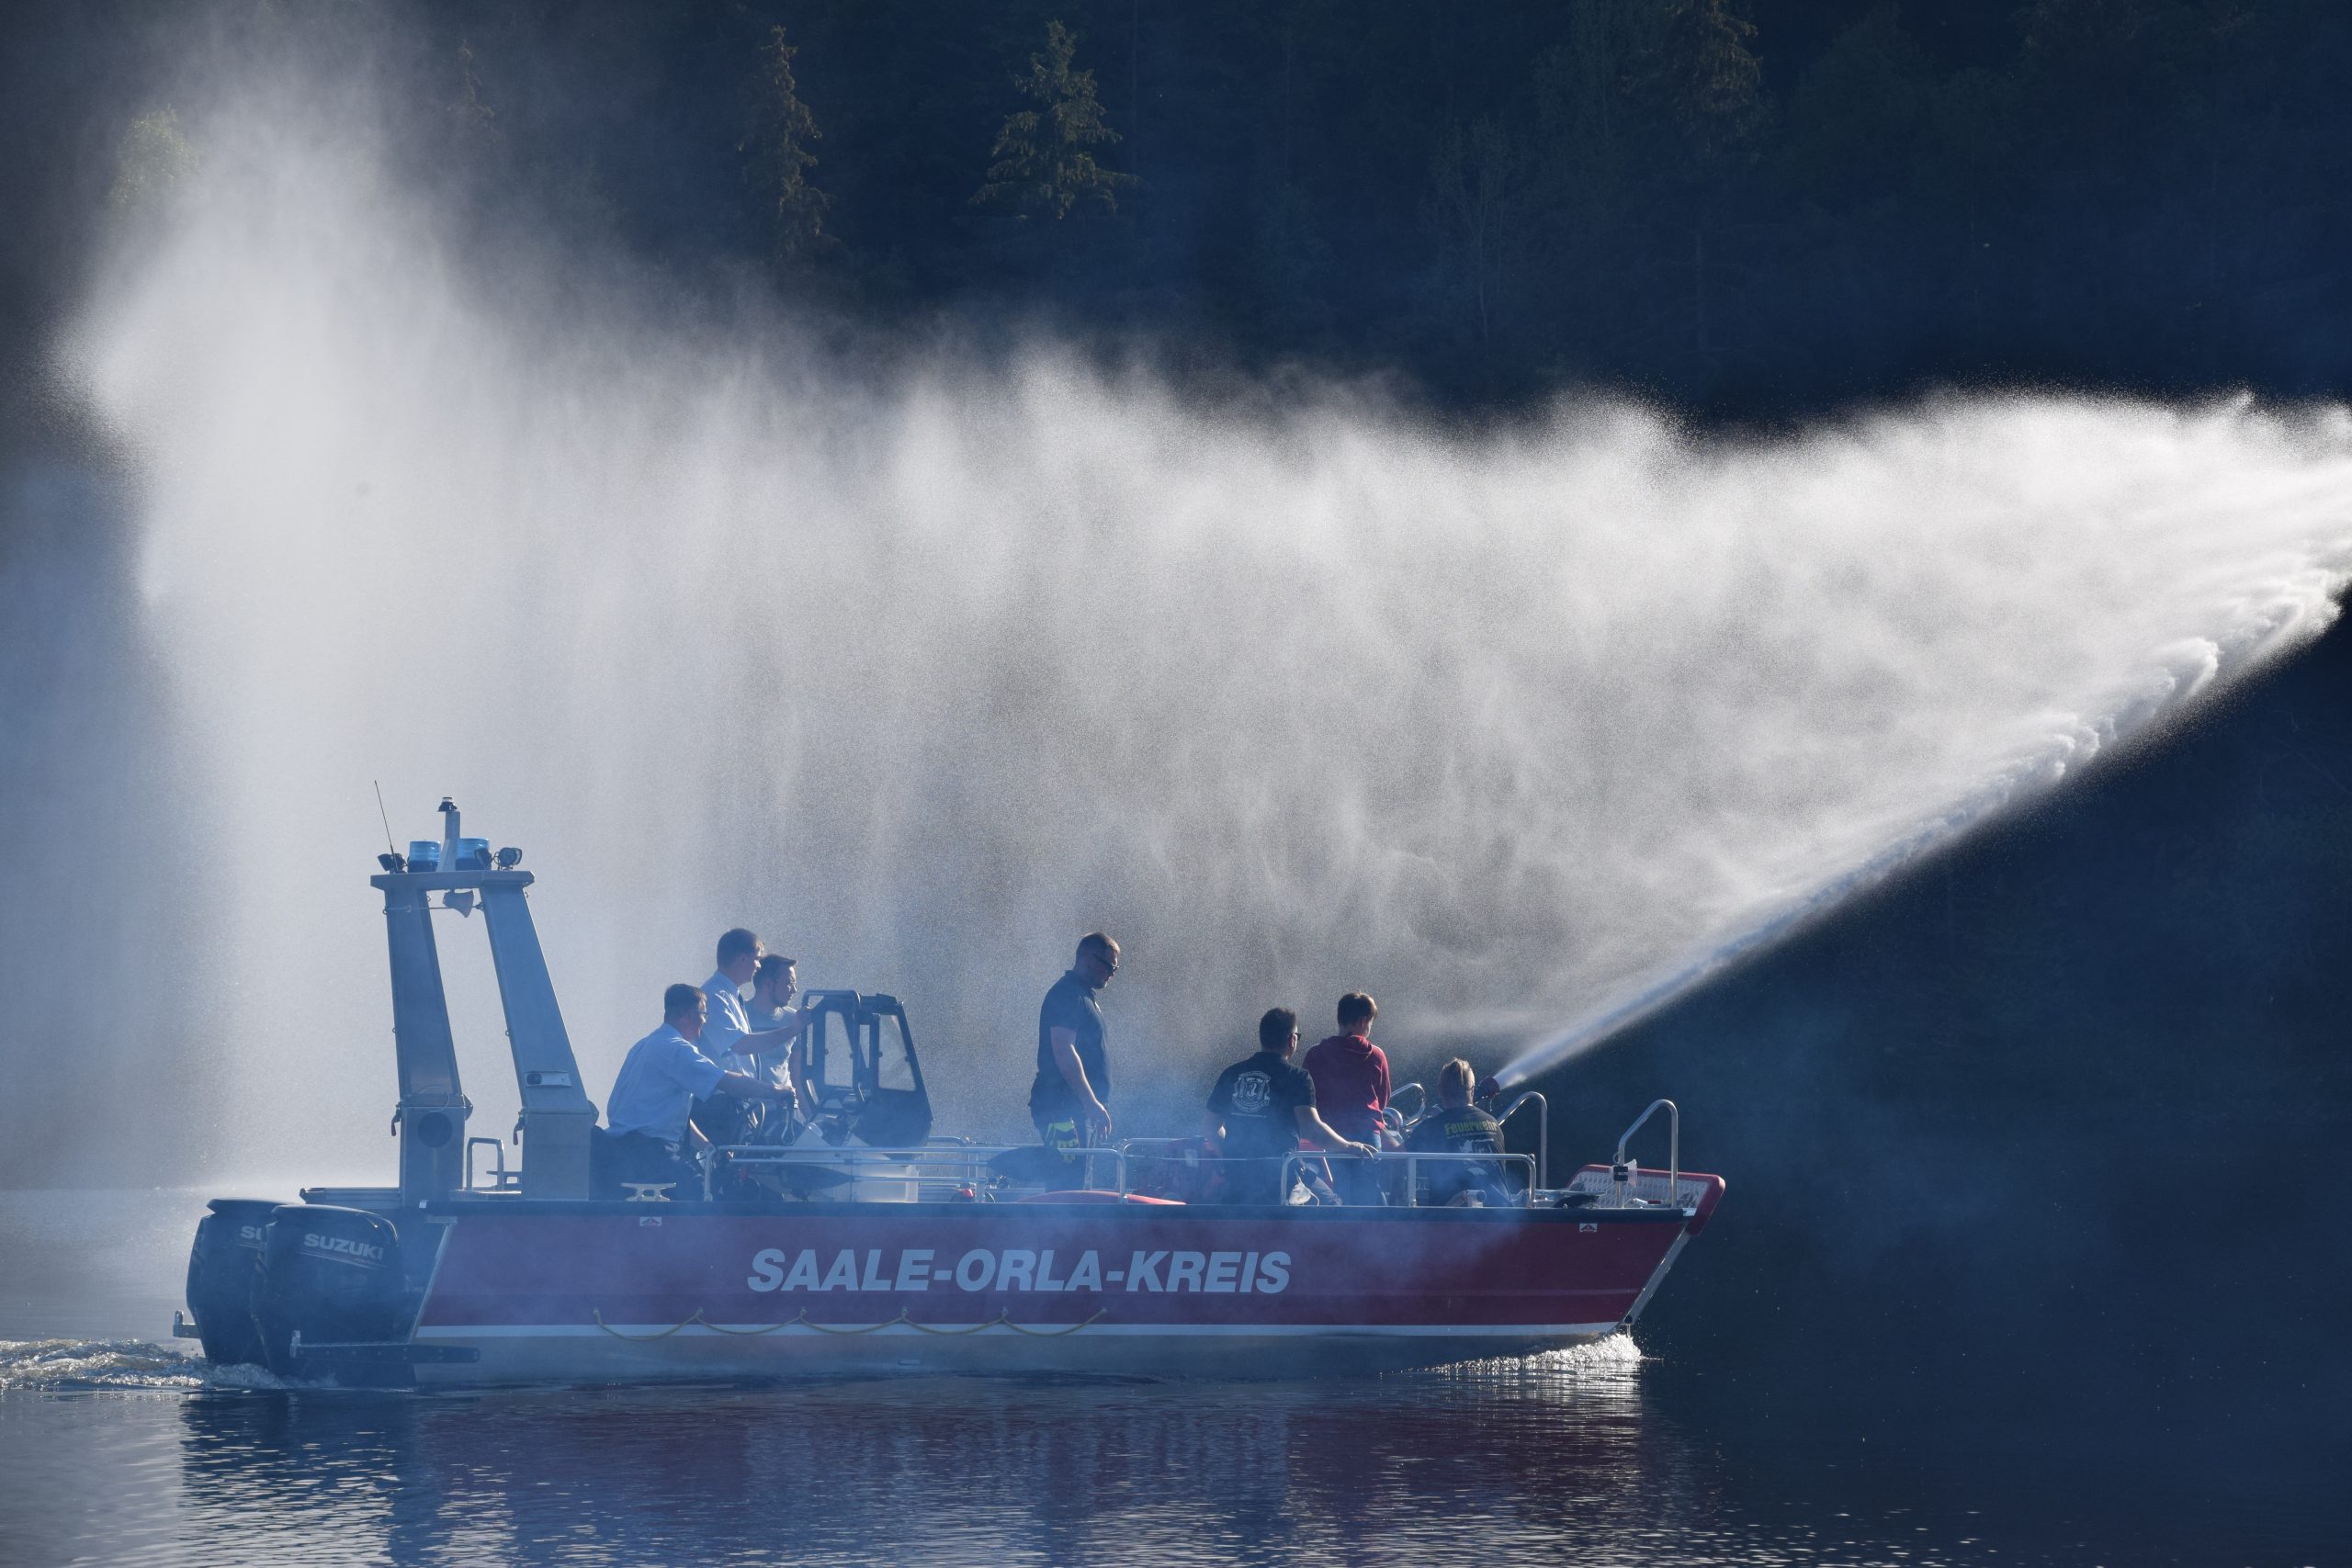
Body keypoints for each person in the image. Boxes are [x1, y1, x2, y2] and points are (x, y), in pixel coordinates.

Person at [604, 983, 795, 1195]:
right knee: (706, 1199)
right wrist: (775, 1091)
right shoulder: (676, 1049)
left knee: (702, 1188)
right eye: (703, 1014)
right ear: (687, 1015)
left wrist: (709, 1148)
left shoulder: (643, 1046)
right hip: (651, 1154)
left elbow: (669, 1116)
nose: (705, 1020)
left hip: (624, 1150)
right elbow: (727, 1081)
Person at [1202, 1008, 1379, 1203]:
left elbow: (1210, 1125)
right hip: (1282, 1178)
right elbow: (1311, 1128)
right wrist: (1347, 1146)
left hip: (1237, 1179)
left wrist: (1229, 1157)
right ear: (1291, 1039)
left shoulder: (1231, 1073)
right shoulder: (1297, 1077)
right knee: (1333, 1205)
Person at [1030, 931, 1119, 1166]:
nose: (1112, 974)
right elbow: (1064, 1050)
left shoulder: (1083, 996)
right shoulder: (1067, 994)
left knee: (1077, 1182)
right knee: (1068, 1182)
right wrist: (1091, 1103)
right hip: (1062, 1108)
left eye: (1115, 969)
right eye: (1109, 966)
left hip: (1076, 1109)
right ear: (1089, 959)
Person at [1304, 992, 1394, 1202]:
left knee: (1339, 1191)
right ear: (1363, 1021)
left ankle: (1338, 1234)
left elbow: (1307, 1098)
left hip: (1331, 1135)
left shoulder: (1315, 1054)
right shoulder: (1376, 1055)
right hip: (1368, 1136)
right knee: (1369, 1192)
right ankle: (1373, 1234)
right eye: (1370, 1022)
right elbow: (1384, 1097)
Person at [1401, 1057, 1512, 1206]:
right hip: (1501, 1215)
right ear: (1472, 1089)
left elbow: (1397, 1156)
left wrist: (1377, 1124)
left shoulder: (1431, 1127)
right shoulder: (1493, 1123)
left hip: (1451, 1216)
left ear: (1440, 1090)